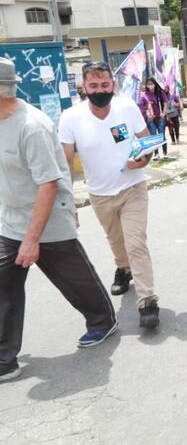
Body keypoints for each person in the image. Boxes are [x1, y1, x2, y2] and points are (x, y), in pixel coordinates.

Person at [0, 58, 117, 383]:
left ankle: (102, 319)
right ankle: (4, 358)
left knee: (73, 279)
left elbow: (48, 183)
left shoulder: (31, 126)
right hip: (10, 221)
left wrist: (32, 238)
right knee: (4, 284)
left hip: (47, 219)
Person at [58, 62, 161, 329]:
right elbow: (65, 164)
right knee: (116, 240)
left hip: (133, 189)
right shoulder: (70, 118)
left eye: (105, 85)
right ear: (84, 87)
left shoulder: (127, 107)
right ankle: (122, 268)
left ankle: (148, 300)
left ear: (112, 85)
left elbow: (147, 141)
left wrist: (144, 160)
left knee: (136, 242)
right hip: (100, 194)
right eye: (94, 86)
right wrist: (68, 204)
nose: (100, 90)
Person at [139, 77, 168, 159]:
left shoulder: (160, 93)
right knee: (153, 136)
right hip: (150, 119)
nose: (150, 86)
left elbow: (165, 103)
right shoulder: (144, 94)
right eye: (148, 84)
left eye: (151, 84)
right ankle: (156, 154)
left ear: (155, 84)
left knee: (161, 134)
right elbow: (144, 105)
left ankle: (165, 152)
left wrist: (164, 113)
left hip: (160, 117)